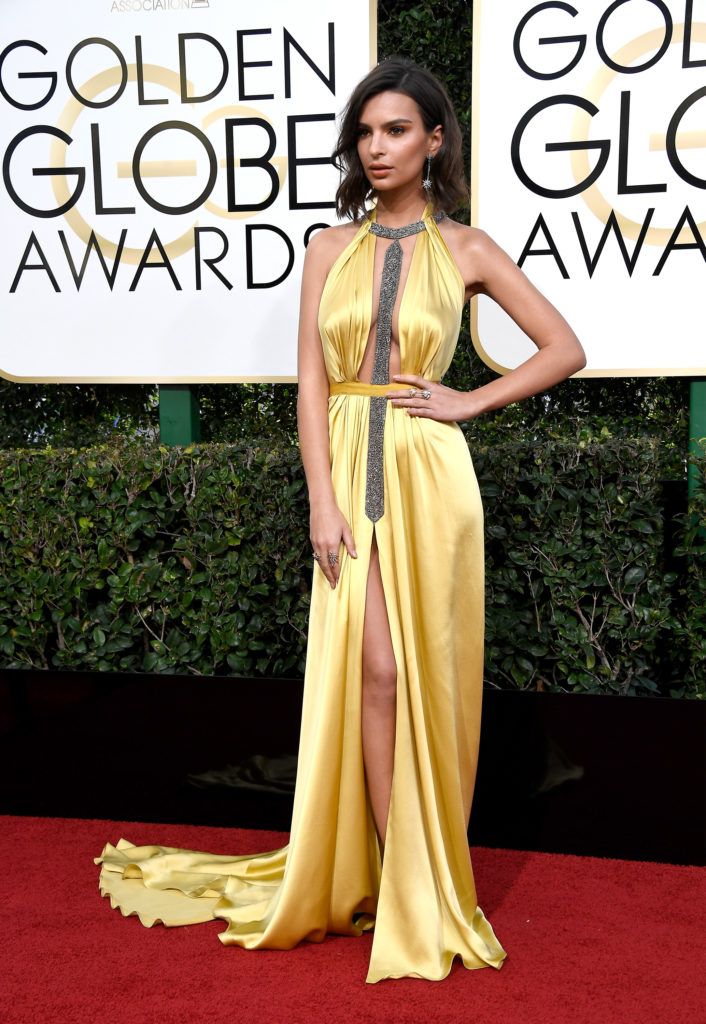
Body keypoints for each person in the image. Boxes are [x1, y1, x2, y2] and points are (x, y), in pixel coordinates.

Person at [94, 57, 586, 985]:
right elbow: (312, 385)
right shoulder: (328, 246)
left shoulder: (471, 249)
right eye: (366, 133)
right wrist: (320, 498)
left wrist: (470, 404)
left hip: (430, 475)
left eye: (396, 130)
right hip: (347, 468)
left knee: (421, 679)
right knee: (373, 670)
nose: (378, 147)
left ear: (435, 140)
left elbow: (565, 348)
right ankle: (388, 878)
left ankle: (416, 885)